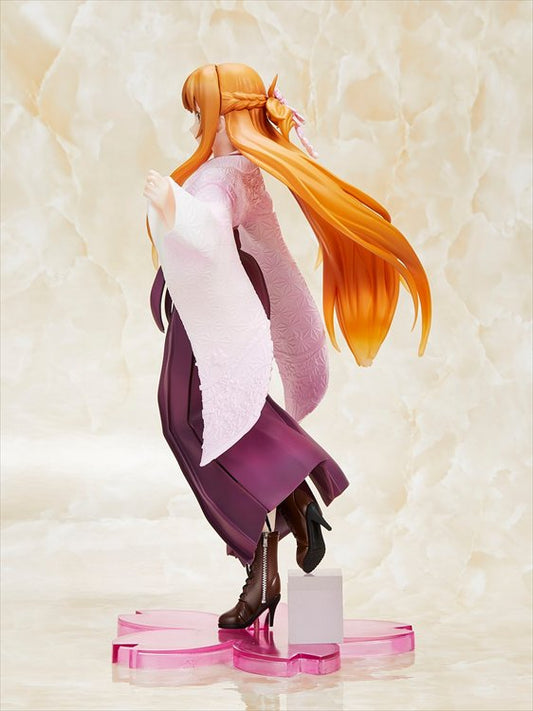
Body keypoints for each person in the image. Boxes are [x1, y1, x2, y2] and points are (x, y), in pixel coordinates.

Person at [142, 63, 431, 630]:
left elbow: (210, 228)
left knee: (194, 420)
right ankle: (294, 499)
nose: (195, 124)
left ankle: (270, 547)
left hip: (212, 316)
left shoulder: (226, 176)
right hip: (204, 309)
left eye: (201, 113)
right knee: (203, 418)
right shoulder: (230, 169)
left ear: (224, 114)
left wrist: (175, 206)